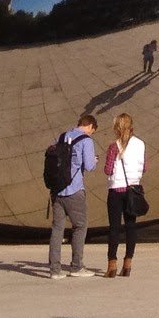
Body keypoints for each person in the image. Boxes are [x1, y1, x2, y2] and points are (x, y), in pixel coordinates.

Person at [49, 112, 99, 276]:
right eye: (93, 131)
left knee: (57, 229)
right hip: (74, 189)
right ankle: (76, 266)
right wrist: (95, 160)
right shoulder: (86, 140)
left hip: (57, 190)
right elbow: (90, 166)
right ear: (90, 126)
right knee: (80, 226)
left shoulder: (62, 136)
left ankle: (55, 270)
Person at [103, 111, 146, 278]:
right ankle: (127, 264)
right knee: (131, 227)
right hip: (133, 190)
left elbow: (107, 169)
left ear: (116, 128)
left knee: (114, 228)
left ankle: (111, 265)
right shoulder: (140, 144)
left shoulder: (114, 146)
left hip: (116, 190)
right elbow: (144, 167)